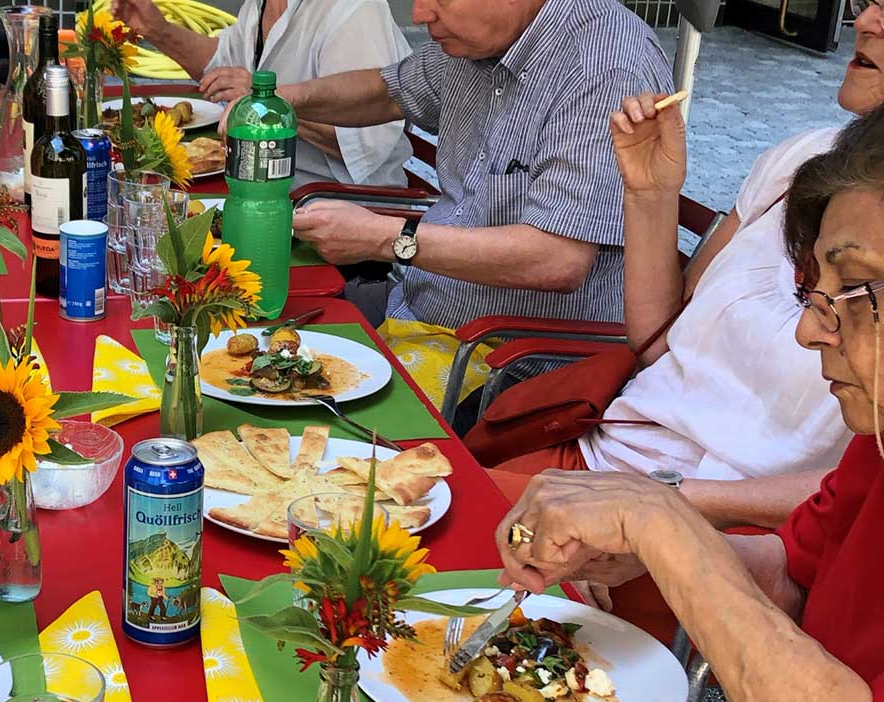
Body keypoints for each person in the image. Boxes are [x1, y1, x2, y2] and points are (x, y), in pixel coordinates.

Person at [494, 106, 884, 702]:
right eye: (818, 291)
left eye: (857, 290)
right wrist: (650, 547)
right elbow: (794, 577)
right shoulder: (875, 447)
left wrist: (661, 518)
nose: (812, 334)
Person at [489, 0, 884, 531]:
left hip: (727, 531)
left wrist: (658, 501)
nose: (863, 22)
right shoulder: (800, 160)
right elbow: (659, 343)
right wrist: (650, 191)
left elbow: (859, 494)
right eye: (869, 2)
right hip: (603, 461)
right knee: (369, 510)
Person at [281, 0, 671, 411]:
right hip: (419, 306)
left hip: (511, 362)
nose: (419, 15)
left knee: (301, 422)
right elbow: (389, 92)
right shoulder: (475, 40)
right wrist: (285, 99)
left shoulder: (604, 68)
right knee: (254, 323)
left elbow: (558, 259)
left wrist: (384, 239)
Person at [112, 0, 412, 188]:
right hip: (270, 195)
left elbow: (364, 143)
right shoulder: (260, 6)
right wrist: (157, 30)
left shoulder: (354, 8)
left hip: (341, 213)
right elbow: (221, 67)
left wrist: (263, 101)